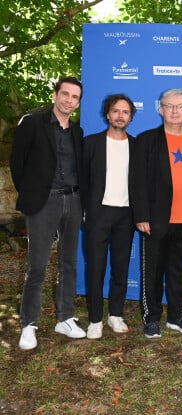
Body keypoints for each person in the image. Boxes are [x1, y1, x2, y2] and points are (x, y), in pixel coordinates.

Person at [10, 76, 86, 350]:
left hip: (74, 201)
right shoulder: (32, 123)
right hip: (44, 203)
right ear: (55, 95)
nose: (69, 100)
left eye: (74, 97)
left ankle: (65, 317)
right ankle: (29, 324)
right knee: (37, 266)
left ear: (78, 102)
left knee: (69, 263)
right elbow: (17, 164)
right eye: (65, 94)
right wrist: (34, 194)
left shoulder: (77, 131)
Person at [129, 88, 182, 338]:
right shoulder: (146, 140)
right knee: (152, 271)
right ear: (160, 109)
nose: (175, 111)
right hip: (156, 220)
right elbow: (137, 181)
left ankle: (176, 315)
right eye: (170, 106)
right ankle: (151, 318)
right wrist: (141, 215)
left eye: (180, 106)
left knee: (180, 270)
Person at [81, 93, 137, 340]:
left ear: (130, 117)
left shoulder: (137, 146)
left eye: (125, 112)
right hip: (98, 213)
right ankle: (95, 319)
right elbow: (82, 180)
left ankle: (115, 314)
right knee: (95, 267)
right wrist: (84, 211)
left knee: (120, 267)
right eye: (116, 111)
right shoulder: (91, 143)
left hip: (126, 215)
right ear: (107, 114)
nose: (120, 115)